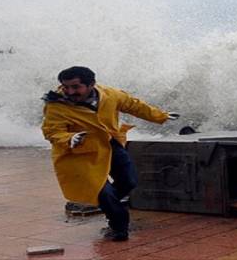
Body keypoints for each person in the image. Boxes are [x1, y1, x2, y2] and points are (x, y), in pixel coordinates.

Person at [41, 66, 178, 241]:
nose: (69, 92)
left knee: (129, 181)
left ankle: (106, 204)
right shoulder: (56, 106)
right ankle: (118, 226)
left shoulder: (109, 95)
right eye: (66, 87)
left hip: (110, 144)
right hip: (79, 154)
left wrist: (161, 116)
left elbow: (133, 105)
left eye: (76, 87)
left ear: (91, 84)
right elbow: (52, 131)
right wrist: (70, 138)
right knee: (104, 192)